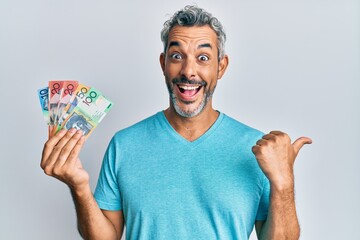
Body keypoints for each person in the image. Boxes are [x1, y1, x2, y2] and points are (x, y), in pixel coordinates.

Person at [41, 5, 312, 240]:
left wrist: (283, 183)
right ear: (163, 64)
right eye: (177, 56)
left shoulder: (257, 149)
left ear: (221, 66)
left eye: (203, 58)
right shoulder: (124, 145)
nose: (188, 71)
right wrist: (78, 187)